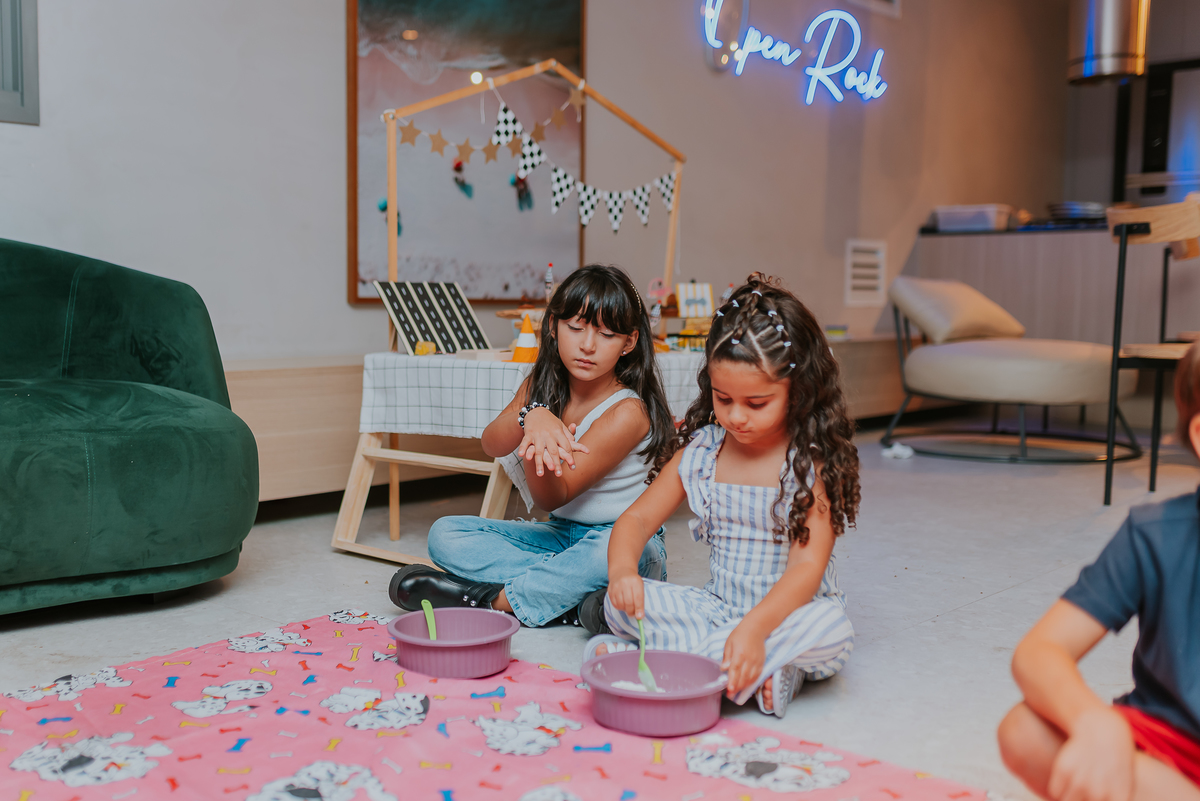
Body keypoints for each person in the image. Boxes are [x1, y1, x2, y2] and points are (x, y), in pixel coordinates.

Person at [588, 273, 860, 718]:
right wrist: (622, 574)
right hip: (717, 609)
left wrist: (754, 629)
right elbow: (635, 521)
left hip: (791, 616)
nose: (736, 416)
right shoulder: (703, 452)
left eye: (757, 403)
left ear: (800, 389)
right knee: (618, 607)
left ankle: (685, 662)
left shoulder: (811, 464)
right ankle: (755, 669)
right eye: (722, 398)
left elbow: (807, 571)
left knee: (832, 629)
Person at [389, 264, 675, 631]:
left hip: (622, 542)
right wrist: (533, 416)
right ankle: (575, 601)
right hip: (558, 537)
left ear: (629, 342)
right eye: (575, 328)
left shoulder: (628, 411)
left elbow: (553, 496)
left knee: (608, 555)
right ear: (554, 327)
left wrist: (538, 444)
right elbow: (492, 443)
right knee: (445, 534)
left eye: (606, 334)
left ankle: (491, 601)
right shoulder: (541, 383)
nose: (588, 345)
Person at [997, 341, 1200, 801]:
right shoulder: (1156, 534)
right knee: (1024, 730)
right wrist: (1096, 722)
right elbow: (1039, 651)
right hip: (1165, 741)